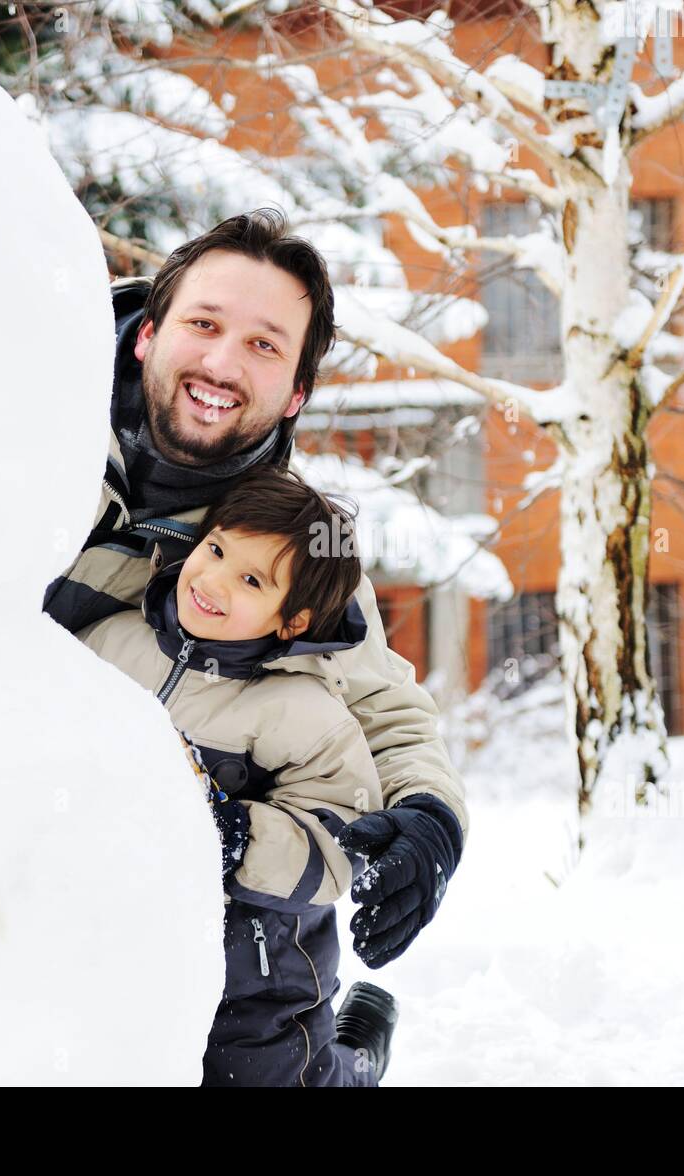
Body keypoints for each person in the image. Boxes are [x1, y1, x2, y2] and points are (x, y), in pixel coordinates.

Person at [42, 207, 468, 1050]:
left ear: (296, 394)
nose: (222, 363)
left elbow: (380, 704)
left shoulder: (287, 546)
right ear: (146, 333)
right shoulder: (31, 428)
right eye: (204, 324)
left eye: (265, 346)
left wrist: (431, 818)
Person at [78, 465, 412, 1085]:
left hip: (258, 975)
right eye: (216, 549)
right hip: (133, 934)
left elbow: (340, 840)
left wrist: (230, 836)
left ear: (293, 621)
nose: (213, 579)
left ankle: (358, 1057)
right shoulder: (107, 642)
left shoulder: (306, 715)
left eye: (251, 579)